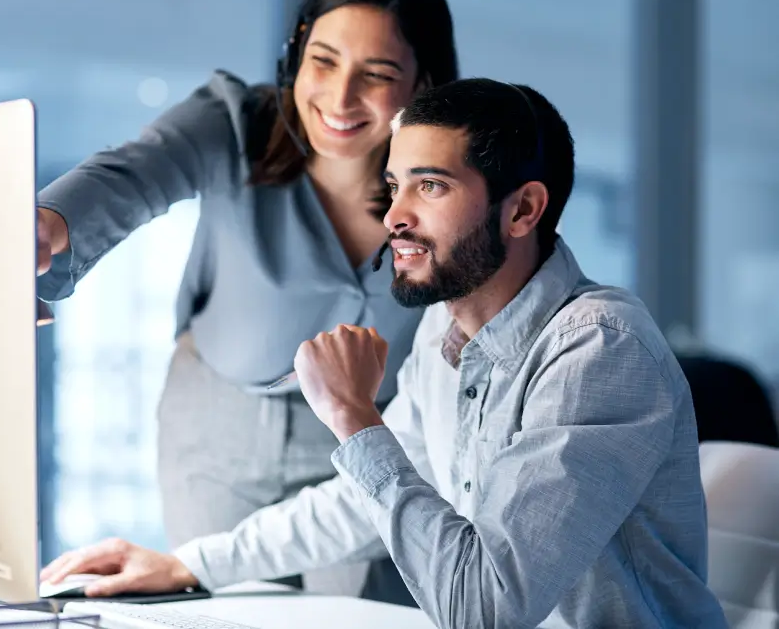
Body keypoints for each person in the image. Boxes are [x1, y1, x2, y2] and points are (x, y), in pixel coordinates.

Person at [40, 78, 729, 628]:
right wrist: (189, 565)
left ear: (522, 211)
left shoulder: (595, 351)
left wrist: (352, 416)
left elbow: (484, 609)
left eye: (429, 186)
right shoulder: (445, 331)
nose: (394, 215)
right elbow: (359, 502)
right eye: (394, 185)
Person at [34, 0, 456, 602]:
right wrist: (45, 224)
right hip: (220, 428)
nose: (339, 98)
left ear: (422, 83)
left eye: (376, 74)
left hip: (366, 431)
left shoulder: (442, 187)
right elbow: (133, 172)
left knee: (364, 613)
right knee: (224, 608)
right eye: (323, 61)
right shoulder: (233, 122)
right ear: (295, 55)